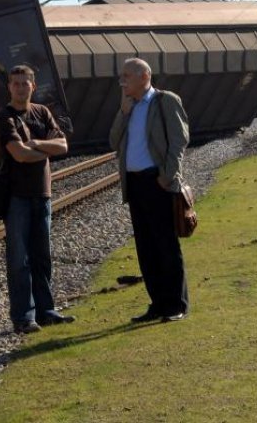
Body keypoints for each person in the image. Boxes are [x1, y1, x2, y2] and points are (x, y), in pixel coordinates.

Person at [0, 65, 73, 334]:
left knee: (42, 257)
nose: (20, 87)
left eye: (25, 83)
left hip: (43, 194)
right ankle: (23, 317)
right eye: (15, 83)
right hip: (17, 197)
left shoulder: (42, 112)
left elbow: (63, 146)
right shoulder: (4, 117)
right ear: (9, 87)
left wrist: (35, 146)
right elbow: (19, 155)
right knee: (19, 260)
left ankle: (46, 310)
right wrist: (44, 147)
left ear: (33, 86)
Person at [110, 58, 190, 323]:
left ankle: (176, 305)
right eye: (121, 77)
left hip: (158, 182)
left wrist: (167, 177)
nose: (122, 81)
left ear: (144, 76)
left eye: (127, 76)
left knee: (165, 245)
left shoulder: (165, 101)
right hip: (135, 185)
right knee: (146, 248)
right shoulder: (128, 106)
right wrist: (123, 112)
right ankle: (157, 303)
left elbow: (179, 140)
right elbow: (113, 141)